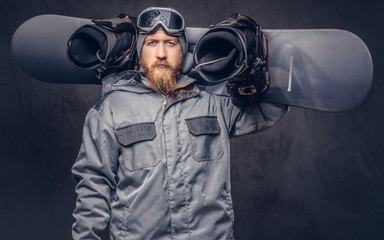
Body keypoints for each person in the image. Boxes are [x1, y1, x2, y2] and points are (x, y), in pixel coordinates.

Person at [72, 7, 288, 240]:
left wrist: (251, 69)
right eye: (152, 43)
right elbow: (93, 185)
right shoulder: (111, 109)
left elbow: (270, 110)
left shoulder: (213, 103)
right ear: (140, 52)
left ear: (183, 51)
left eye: (171, 43)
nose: (162, 53)